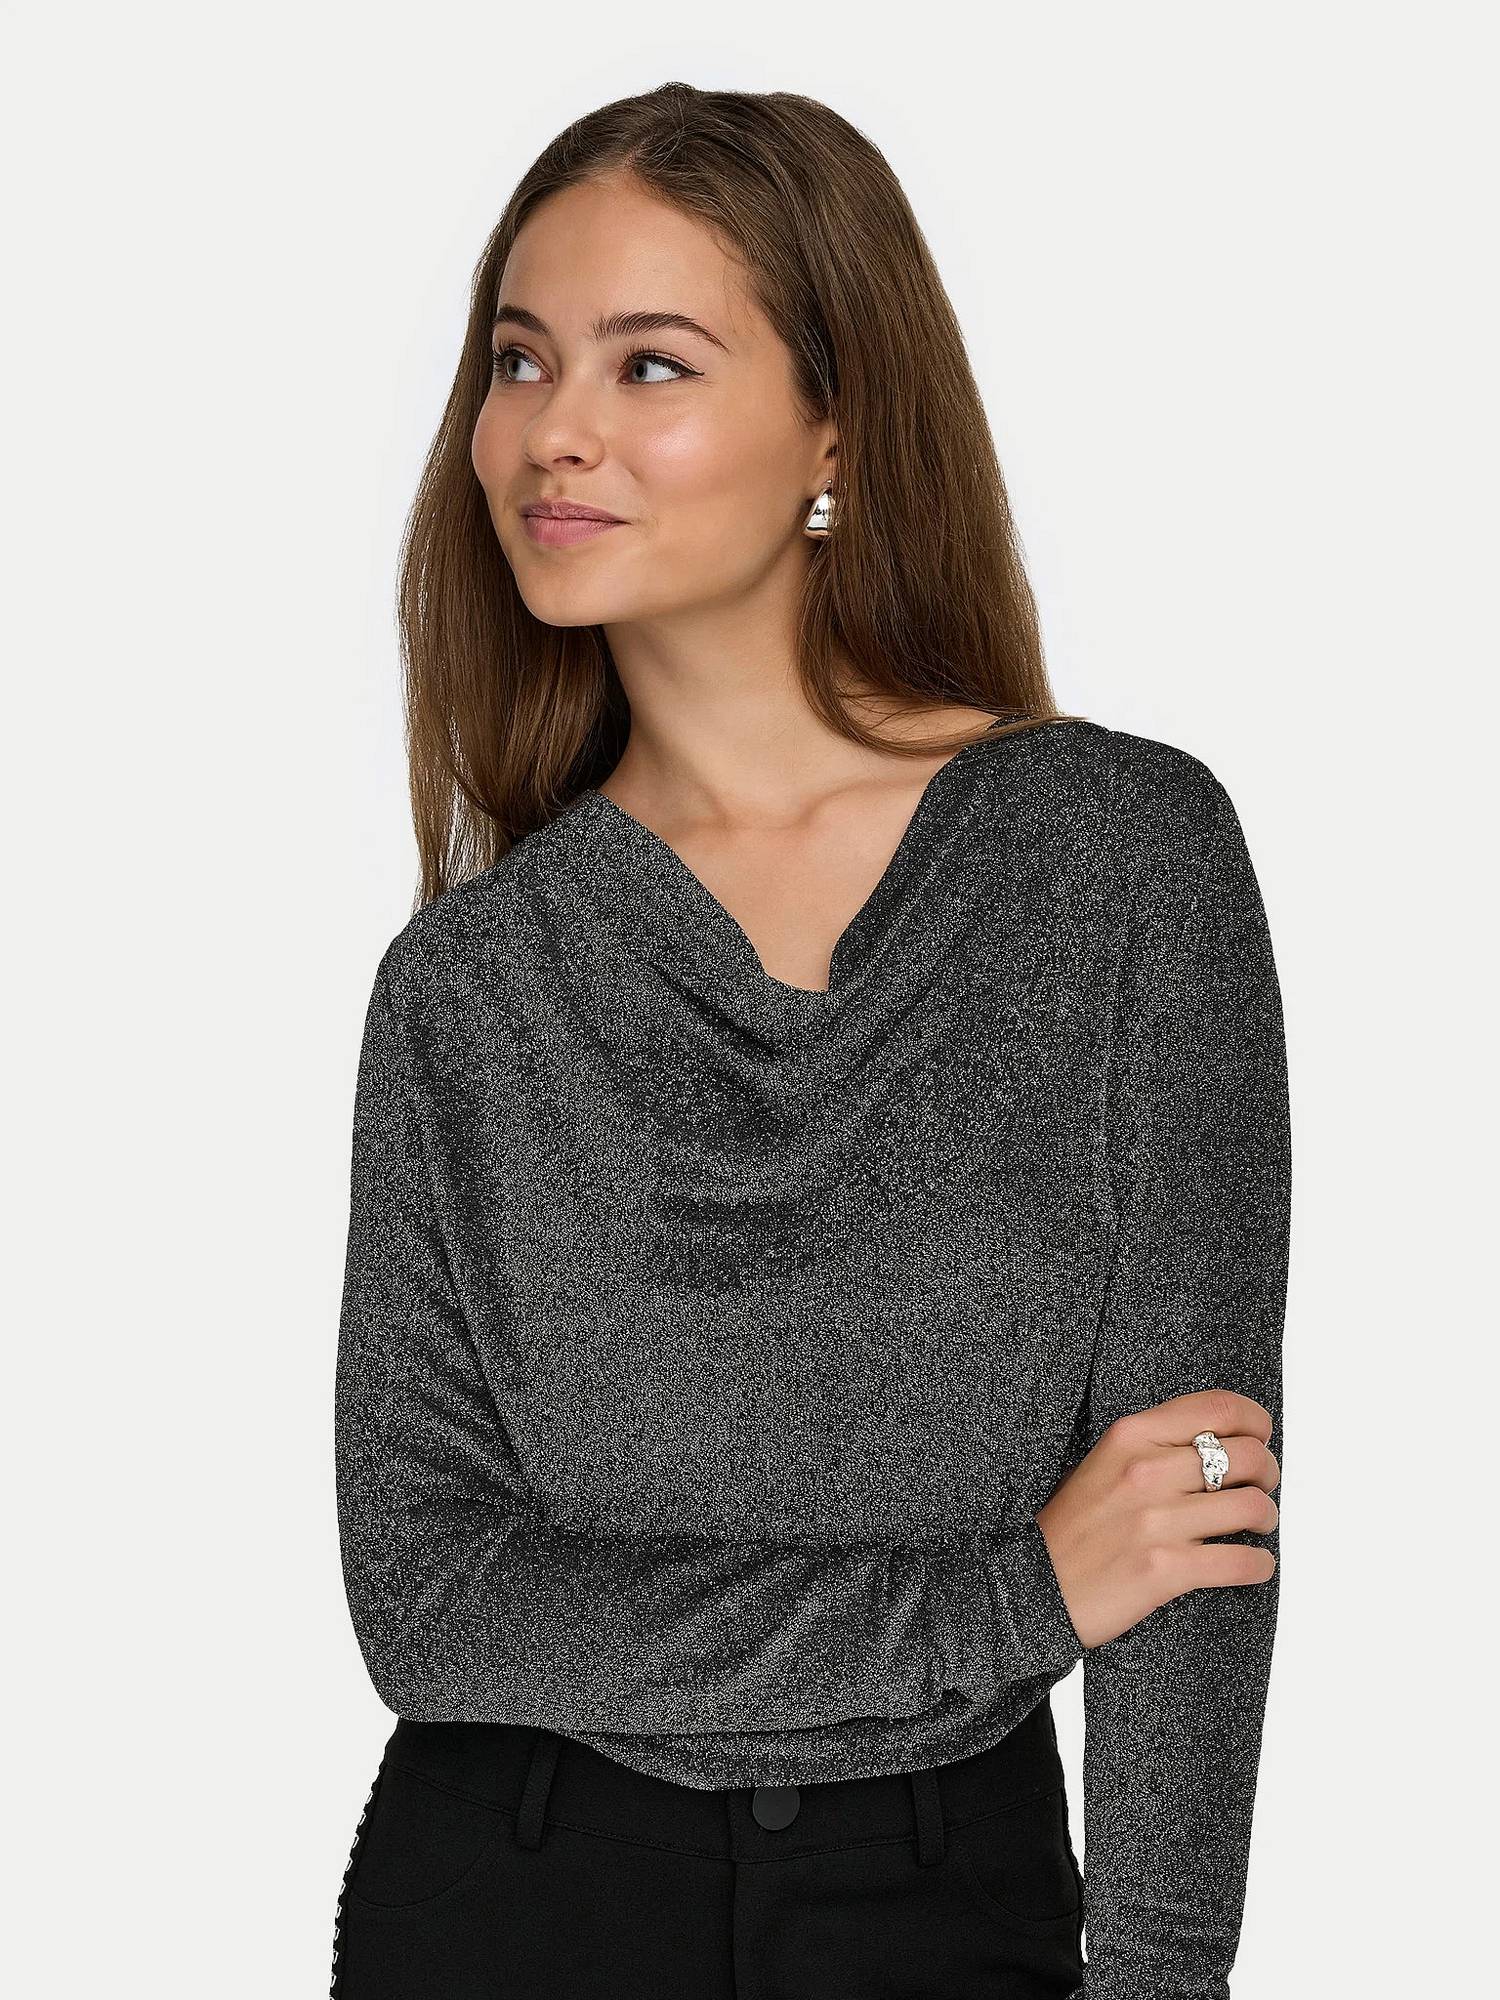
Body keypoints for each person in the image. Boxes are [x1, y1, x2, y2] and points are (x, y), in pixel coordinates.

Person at [330, 82, 1290, 2000]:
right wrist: (1012, 1595)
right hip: (514, 1901)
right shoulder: (469, 988)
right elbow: (433, 1607)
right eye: (518, 361)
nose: (552, 430)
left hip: (952, 1901)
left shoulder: (1118, 860)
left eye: (651, 363)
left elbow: (1197, 1519)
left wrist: (1166, 1980)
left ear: (835, 426)